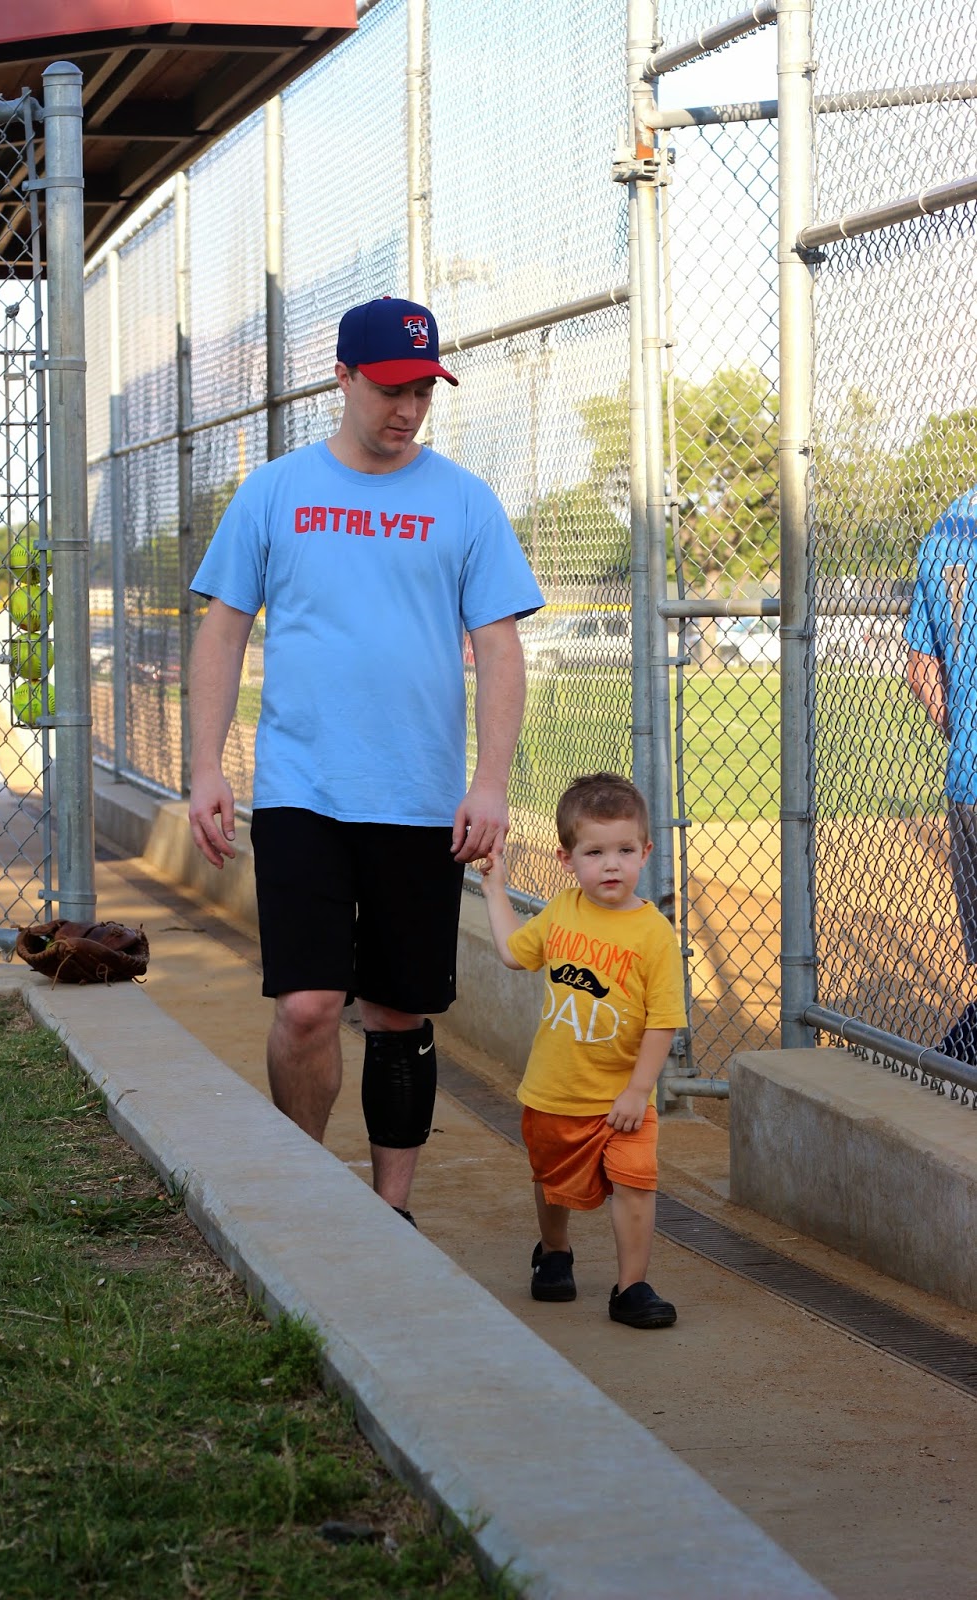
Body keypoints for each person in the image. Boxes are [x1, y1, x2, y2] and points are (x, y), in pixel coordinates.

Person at [186, 295, 543, 1220]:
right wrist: (206, 767)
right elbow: (222, 631)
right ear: (341, 378)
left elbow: (500, 648)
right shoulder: (275, 492)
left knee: (396, 1013)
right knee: (307, 1006)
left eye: (423, 390)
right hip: (302, 790)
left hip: (418, 795)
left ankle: (392, 1212)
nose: (407, 409)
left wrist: (491, 783)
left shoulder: (464, 500)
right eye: (390, 388)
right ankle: (306, 1191)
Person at [479, 771, 686, 1328]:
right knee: (553, 1181)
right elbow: (513, 953)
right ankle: (554, 1252)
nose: (611, 865)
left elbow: (664, 1021)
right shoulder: (561, 911)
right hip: (557, 1089)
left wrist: (639, 1091)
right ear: (567, 859)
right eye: (595, 853)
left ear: (645, 852)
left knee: (636, 1182)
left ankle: (631, 1287)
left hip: (624, 1098)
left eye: (624, 850)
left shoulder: (654, 933)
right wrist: (495, 887)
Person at [905, 485, 977, 1060]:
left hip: (969, 777)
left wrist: (966, 736)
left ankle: (955, 1060)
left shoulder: (947, 529)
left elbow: (920, 667)